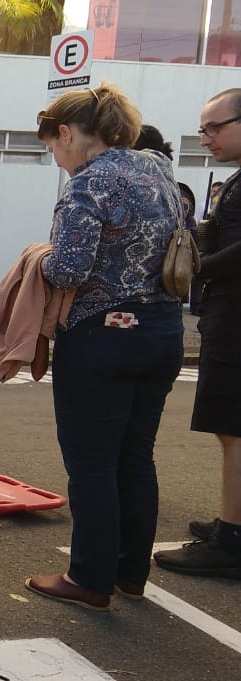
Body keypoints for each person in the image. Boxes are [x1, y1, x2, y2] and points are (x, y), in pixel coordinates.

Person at [23, 83, 184, 611]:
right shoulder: (157, 167)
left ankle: (89, 579)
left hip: (100, 336)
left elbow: (69, 267)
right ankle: (130, 574)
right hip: (162, 329)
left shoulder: (87, 184)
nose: (56, 159)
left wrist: (34, 259)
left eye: (52, 148)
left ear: (66, 133)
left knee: (92, 464)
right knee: (136, 456)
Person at [153, 88, 241, 580]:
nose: (205, 137)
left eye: (215, 127)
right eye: (203, 128)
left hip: (236, 319)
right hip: (227, 314)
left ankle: (231, 538)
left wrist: (195, 266)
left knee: (233, 428)